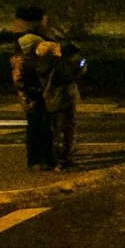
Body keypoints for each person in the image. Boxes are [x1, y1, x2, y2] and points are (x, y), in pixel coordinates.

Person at [8, 6, 58, 171]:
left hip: (38, 87)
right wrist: (25, 91)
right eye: (44, 18)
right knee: (38, 125)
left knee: (43, 124)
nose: (46, 21)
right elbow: (20, 68)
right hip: (34, 89)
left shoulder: (33, 36)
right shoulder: (30, 39)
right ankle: (37, 160)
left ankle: (45, 158)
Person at [42, 41, 87, 171]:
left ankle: (57, 159)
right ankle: (63, 161)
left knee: (55, 130)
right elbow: (69, 76)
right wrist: (82, 67)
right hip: (63, 100)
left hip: (51, 99)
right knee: (65, 130)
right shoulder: (59, 65)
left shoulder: (43, 63)